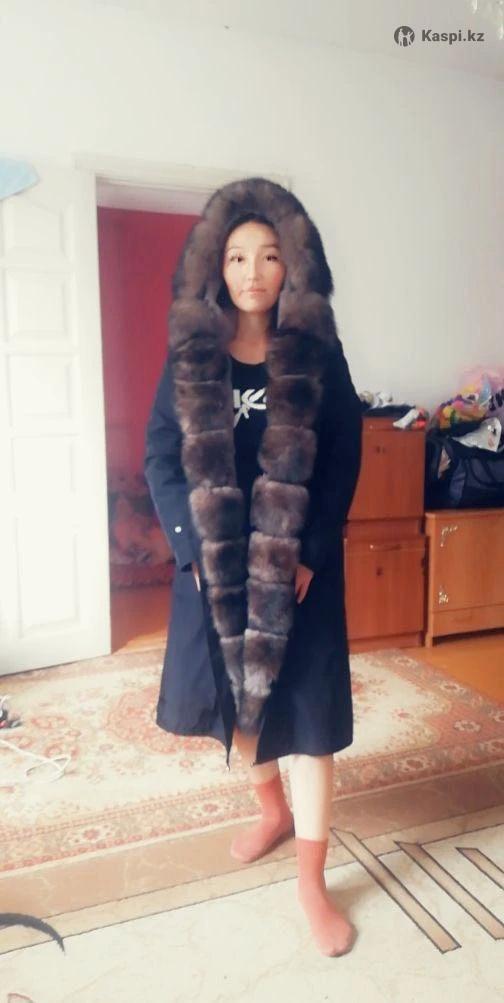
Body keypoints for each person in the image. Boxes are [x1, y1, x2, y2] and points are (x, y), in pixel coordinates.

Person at [144, 177, 363, 957]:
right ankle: (270, 809)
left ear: (291, 264)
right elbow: (160, 455)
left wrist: (310, 552)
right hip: (219, 573)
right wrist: (192, 549)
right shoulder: (191, 358)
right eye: (237, 255)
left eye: (270, 255)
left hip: (299, 575)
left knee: (309, 723)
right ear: (215, 263)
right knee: (241, 715)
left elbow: (343, 457)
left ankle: (312, 880)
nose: (253, 271)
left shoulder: (318, 355)